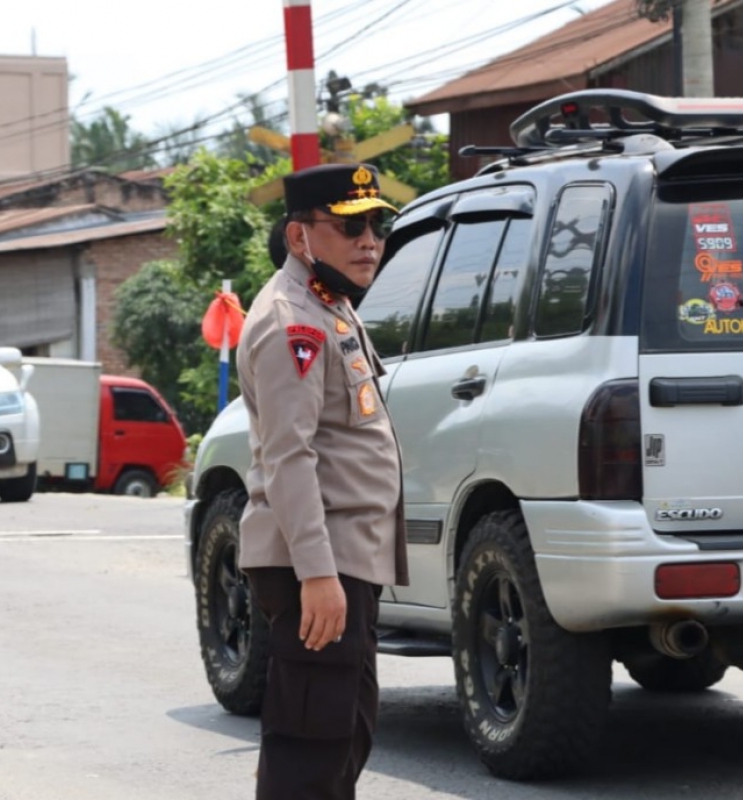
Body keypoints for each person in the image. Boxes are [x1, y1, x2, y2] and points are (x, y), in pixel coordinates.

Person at [236, 162, 409, 800]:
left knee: (343, 736)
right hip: (318, 561)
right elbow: (289, 456)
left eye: (375, 224)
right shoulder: (294, 323)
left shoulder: (327, 307)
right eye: (348, 226)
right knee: (310, 748)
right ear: (299, 237)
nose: (369, 240)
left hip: (343, 561)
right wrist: (316, 574)